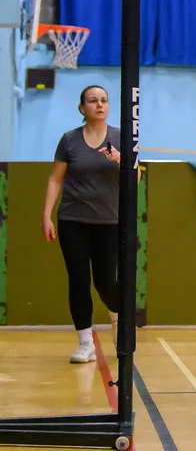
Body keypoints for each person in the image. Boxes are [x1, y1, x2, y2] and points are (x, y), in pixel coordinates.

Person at [42, 85, 122, 364]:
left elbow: (134, 179)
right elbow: (55, 179)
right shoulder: (69, 140)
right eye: (93, 101)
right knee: (78, 280)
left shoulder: (121, 138)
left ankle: (117, 314)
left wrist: (120, 160)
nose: (99, 104)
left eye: (104, 100)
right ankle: (85, 342)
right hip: (72, 220)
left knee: (105, 282)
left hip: (109, 222)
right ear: (82, 108)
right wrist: (46, 215)